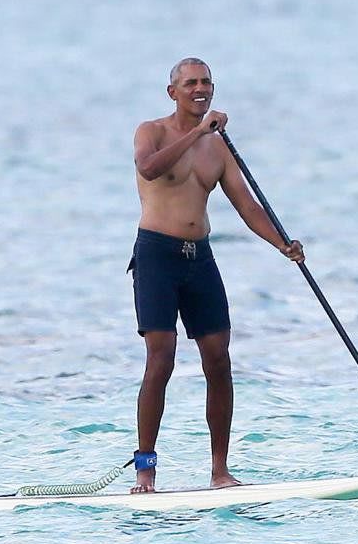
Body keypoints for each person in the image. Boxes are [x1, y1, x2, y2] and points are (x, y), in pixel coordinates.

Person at [128, 57, 304, 493]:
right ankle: (146, 471)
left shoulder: (218, 148)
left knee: (219, 359)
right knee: (161, 358)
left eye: (206, 82)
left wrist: (283, 243)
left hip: (199, 258)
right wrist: (196, 133)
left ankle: (220, 470)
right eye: (190, 83)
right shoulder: (151, 131)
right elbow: (148, 168)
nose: (199, 88)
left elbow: (247, 207)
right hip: (156, 256)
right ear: (173, 92)